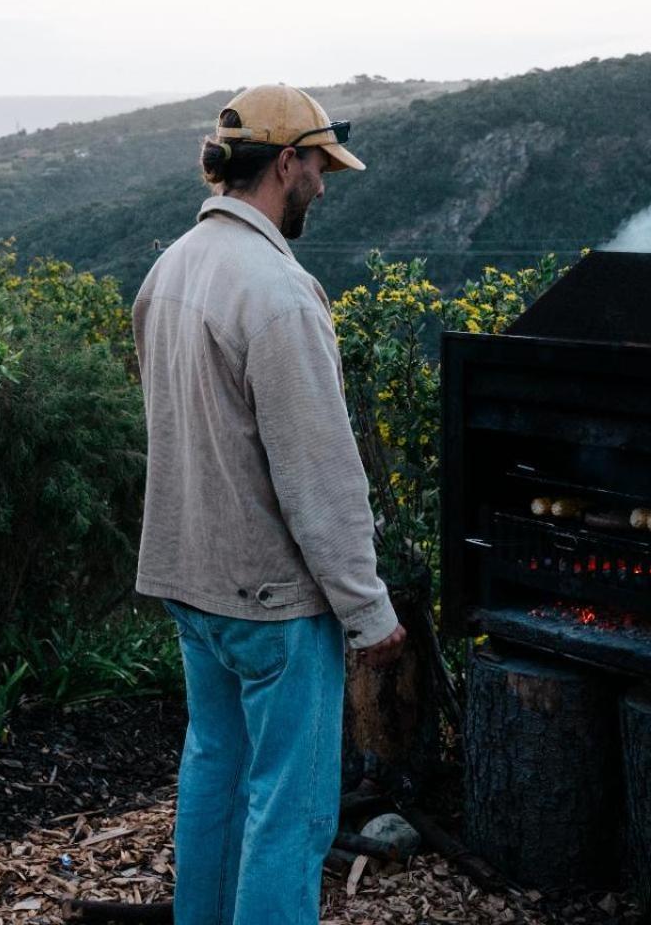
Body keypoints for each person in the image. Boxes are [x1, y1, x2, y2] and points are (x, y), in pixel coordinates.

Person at [133, 84, 407, 925]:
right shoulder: (281, 296)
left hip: (191, 581)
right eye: (319, 166)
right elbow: (320, 480)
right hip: (273, 604)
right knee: (290, 813)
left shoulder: (169, 267)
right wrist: (370, 613)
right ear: (285, 162)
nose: (323, 185)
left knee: (214, 768)